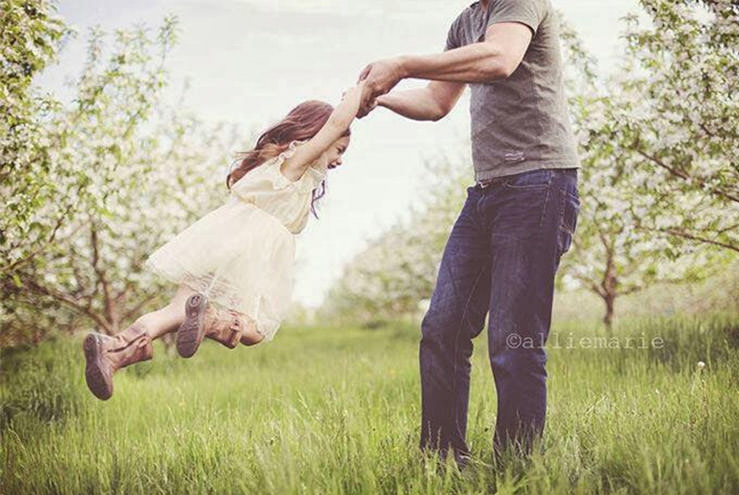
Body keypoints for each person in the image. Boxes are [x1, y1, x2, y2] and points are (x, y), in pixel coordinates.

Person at [357, 0, 581, 465]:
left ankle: (516, 470)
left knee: (513, 338)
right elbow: (437, 102)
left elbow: (500, 59)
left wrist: (400, 64)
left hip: (539, 183)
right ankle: (443, 461)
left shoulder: (521, 2)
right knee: (442, 328)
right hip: (486, 192)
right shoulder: (465, 22)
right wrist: (376, 98)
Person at [82, 83, 365, 401]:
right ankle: (212, 320)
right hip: (254, 249)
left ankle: (114, 350)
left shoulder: (273, 164)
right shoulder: (299, 162)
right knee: (255, 330)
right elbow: (338, 124)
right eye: (339, 150)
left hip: (221, 237)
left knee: (176, 310)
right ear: (317, 136)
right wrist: (363, 93)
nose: (339, 161)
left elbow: (334, 130)